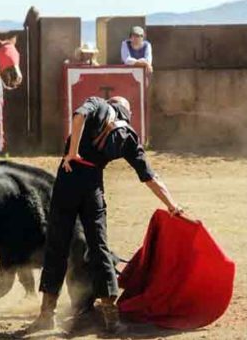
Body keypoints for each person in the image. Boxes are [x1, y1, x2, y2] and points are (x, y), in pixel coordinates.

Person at [26, 96, 183, 334]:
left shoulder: (98, 104)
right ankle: (111, 318)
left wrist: (73, 152)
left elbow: (78, 115)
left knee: (57, 245)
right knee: (99, 246)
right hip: (93, 187)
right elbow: (149, 176)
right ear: (126, 114)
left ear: (112, 102)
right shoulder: (128, 136)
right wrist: (173, 206)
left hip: (68, 179)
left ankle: (47, 315)